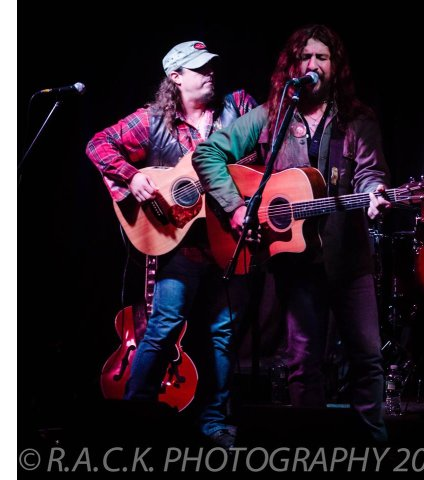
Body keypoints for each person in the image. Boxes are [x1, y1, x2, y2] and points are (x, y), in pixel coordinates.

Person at [192, 24, 391, 443]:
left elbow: (371, 172)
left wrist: (374, 194)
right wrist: (235, 205)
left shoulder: (358, 119)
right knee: (302, 363)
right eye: (305, 57)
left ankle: (373, 447)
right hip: (296, 262)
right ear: (293, 66)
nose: (313, 64)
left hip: (349, 257)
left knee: (367, 358)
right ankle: (311, 448)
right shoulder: (272, 116)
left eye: (322, 57)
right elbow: (208, 152)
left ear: (335, 66)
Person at [86, 40, 257, 448]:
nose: (210, 73)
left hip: (228, 240)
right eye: (200, 68)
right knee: (164, 327)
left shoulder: (238, 108)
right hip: (177, 243)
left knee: (224, 333)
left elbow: (272, 149)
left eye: (212, 66)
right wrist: (132, 176)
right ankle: (134, 418)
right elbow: (98, 144)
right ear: (175, 77)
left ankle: (215, 423)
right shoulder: (152, 120)